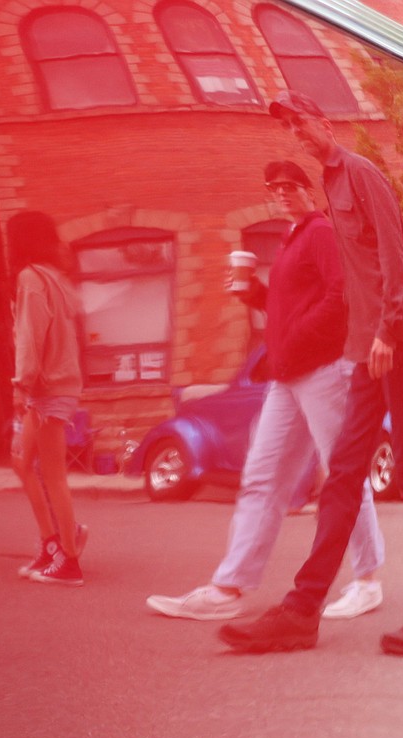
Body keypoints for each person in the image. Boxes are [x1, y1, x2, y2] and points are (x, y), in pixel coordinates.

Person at [219, 91, 403, 657]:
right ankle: (302, 612)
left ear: (324, 121)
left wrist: (387, 330)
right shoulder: (331, 188)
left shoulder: (360, 174)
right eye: (290, 131)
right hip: (365, 351)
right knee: (344, 475)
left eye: (302, 124)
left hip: (388, 348)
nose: (299, 137)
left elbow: (394, 255)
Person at [147, 161, 384, 620]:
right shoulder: (291, 238)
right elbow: (290, 308)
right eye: (274, 188)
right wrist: (254, 295)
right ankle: (228, 589)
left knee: (342, 474)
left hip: (322, 372)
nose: (281, 194)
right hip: (288, 377)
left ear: (306, 190)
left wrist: (295, 339)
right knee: (262, 478)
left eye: (289, 186)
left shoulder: (318, 232)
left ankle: (367, 579)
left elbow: (340, 296)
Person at [8, 210, 88, 586]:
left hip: (45, 388)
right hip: (56, 385)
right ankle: (54, 544)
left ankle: (69, 561)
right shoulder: (55, 278)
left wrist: (21, 385)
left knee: (52, 474)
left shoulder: (30, 278)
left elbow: (30, 335)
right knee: (22, 461)